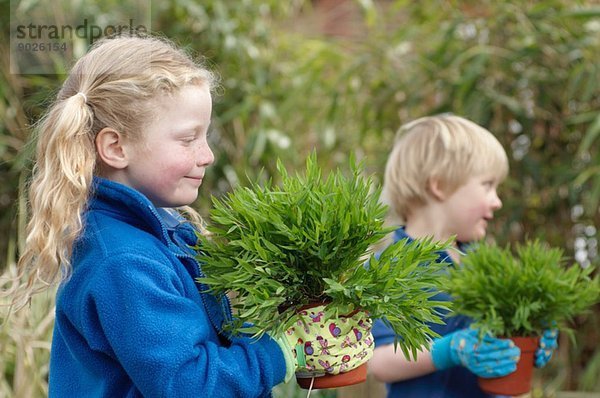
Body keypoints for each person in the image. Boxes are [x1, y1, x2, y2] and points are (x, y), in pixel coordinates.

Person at [14, 34, 371, 397]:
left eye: (207, 136)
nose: (208, 155)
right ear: (116, 147)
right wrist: (280, 352)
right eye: (188, 139)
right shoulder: (124, 262)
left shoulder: (158, 231)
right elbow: (190, 385)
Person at [369, 114, 558, 398]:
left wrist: (532, 331)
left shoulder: (481, 260)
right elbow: (379, 362)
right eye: (487, 185)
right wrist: (450, 350)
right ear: (440, 185)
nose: (497, 201)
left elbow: (504, 330)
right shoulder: (394, 265)